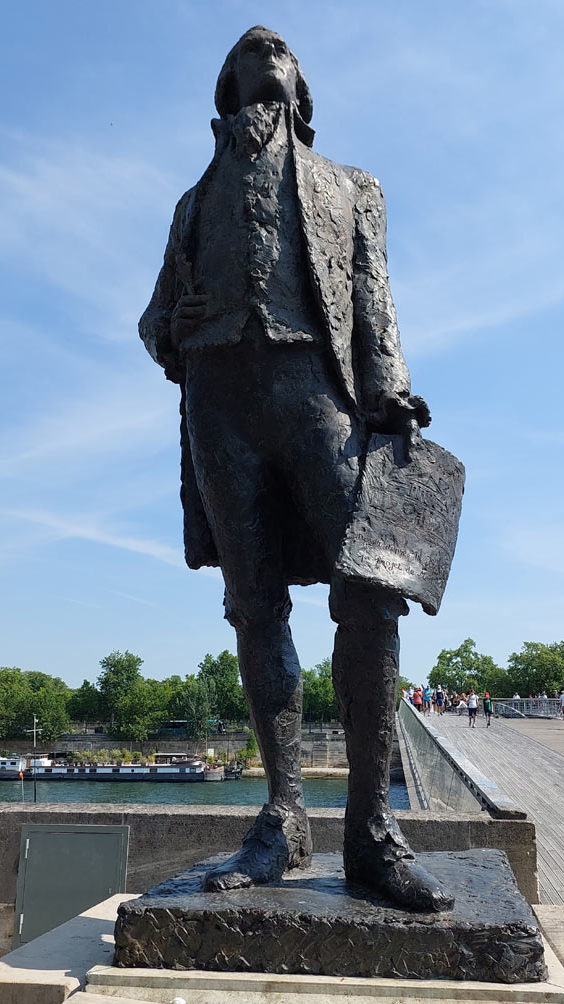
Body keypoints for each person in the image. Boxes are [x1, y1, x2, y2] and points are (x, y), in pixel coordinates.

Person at [139, 26, 460, 911]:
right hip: (219, 402)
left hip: (319, 391)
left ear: (299, 90)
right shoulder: (193, 200)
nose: (264, 58)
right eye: (248, 57)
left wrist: (390, 385)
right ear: (228, 90)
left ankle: (371, 834)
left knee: (369, 591)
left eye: (277, 55)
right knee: (255, 606)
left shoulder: (349, 186)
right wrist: (174, 321)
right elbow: (151, 318)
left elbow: (372, 290)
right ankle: (283, 818)